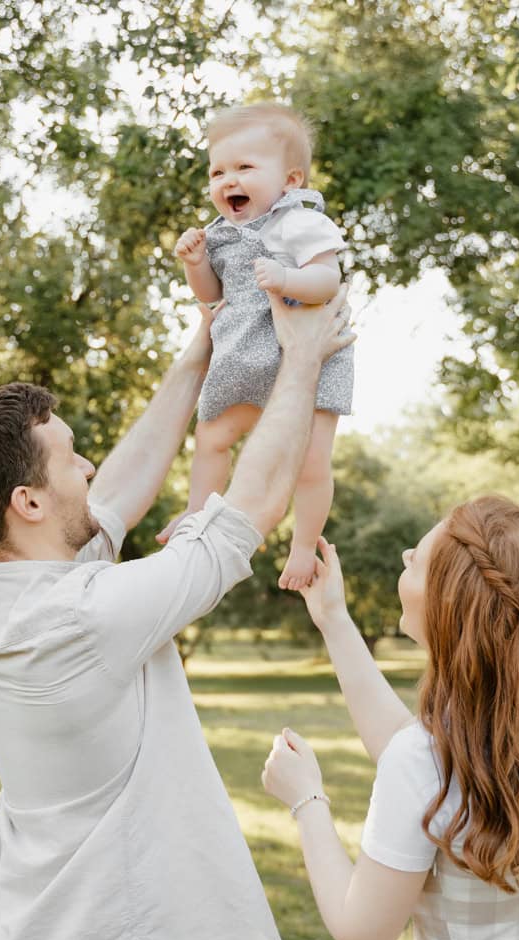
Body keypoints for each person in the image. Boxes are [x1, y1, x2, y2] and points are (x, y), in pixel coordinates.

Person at [0, 287, 354, 940]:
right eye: (68, 457)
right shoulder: (90, 616)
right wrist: (302, 360)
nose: (88, 463)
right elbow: (256, 503)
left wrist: (200, 349)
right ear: (27, 502)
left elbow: (113, 493)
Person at [260, 496, 519, 940]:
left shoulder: (425, 758)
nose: (406, 555)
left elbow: (362, 932)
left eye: (418, 562)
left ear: (451, 608)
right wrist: (334, 620)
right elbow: (418, 765)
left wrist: (307, 800)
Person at [161, 102, 353, 592]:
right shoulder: (221, 233)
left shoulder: (298, 221)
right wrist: (196, 262)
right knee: (211, 438)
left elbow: (328, 279)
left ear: (290, 180)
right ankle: (196, 513)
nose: (228, 180)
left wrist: (289, 277)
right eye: (218, 171)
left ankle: (305, 545)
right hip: (244, 352)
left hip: (305, 354)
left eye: (245, 168)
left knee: (310, 463)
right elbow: (211, 297)